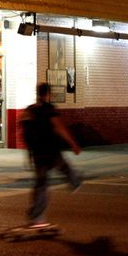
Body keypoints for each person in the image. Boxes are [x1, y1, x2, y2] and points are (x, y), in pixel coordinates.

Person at [20, 82, 82, 228]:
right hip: (50, 150)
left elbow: (24, 133)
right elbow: (59, 127)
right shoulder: (49, 110)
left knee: (41, 185)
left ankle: (37, 217)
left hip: (37, 153)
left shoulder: (29, 111)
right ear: (48, 94)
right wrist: (73, 144)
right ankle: (75, 182)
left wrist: (28, 154)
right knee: (64, 167)